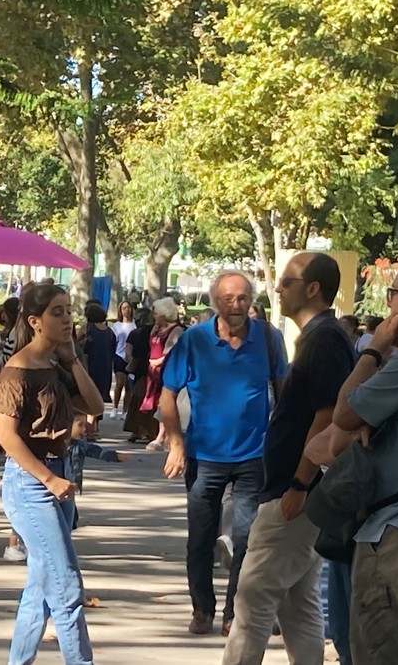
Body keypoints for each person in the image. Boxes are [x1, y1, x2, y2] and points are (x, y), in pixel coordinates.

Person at [305, 249, 398, 665]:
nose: (388, 306)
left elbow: (347, 414)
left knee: (386, 647)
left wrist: (374, 351)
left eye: (393, 295)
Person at [222, 253, 354, 659]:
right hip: (295, 489)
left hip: (293, 493)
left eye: (287, 281)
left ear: (313, 289)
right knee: (298, 601)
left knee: (253, 598)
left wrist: (300, 482)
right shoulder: (319, 336)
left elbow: (328, 415)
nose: (277, 288)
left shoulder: (326, 338)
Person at [161, 271, 288, 636]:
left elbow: (283, 393)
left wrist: (283, 444)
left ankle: (235, 612)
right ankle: (203, 609)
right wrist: (176, 444)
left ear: (252, 300)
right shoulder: (194, 340)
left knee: (248, 539)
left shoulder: (268, 338)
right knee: (201, 538)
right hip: (204, 457)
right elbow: (168, 394)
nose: (236, 305)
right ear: (215, 301)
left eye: (243, 298)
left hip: (254, 457)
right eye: (228, 298)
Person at [0, 283, 105, 664]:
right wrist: (48, 478)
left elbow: (95, 405)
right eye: (58, 312)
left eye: (69, 310)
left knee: (40, 590)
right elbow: (5, 435)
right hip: (31, 485)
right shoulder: (16, 372)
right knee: (67, 590)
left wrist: (72, 361)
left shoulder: (54, 367)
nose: (67, 318)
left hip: (58, 476)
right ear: (35, 321)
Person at [140, 298, 184, 451]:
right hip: (153, 371)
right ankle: (161, 435)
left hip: (166, 369)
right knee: (156, 401)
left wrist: (158, 361)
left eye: (157, 313)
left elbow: (172, 351)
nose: (154, 316)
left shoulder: (176, 330)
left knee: (164, 401)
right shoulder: (157, 329)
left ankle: (162, 436)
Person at [81, 302, 115, 440]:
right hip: (105, 366)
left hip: (89, 365)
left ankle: (89, 428)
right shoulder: (109, 332)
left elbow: (76, 343)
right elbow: (113, 349)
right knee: (99, 395)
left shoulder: (87, 328)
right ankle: (94, 426)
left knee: (87, 395)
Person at [123, 308, 157, 443]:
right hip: (150, 369)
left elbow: (132, 353)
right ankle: (149, 431)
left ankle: (137, 431)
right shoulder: (149, 332)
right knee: (148, 400)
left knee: (138, 400)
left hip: (142, 369)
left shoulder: (138, 332)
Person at [111, 301, 136, 418]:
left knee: (128, 385)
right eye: (124, 308)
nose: (126, 310)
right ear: (120, 311)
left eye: (128, 307)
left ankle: (125, 410)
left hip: (131, 358)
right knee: (119, 383)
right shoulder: (116, 326)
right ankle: (115, 407)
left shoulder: (135, 325)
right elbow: (113, 341)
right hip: (119, 355)